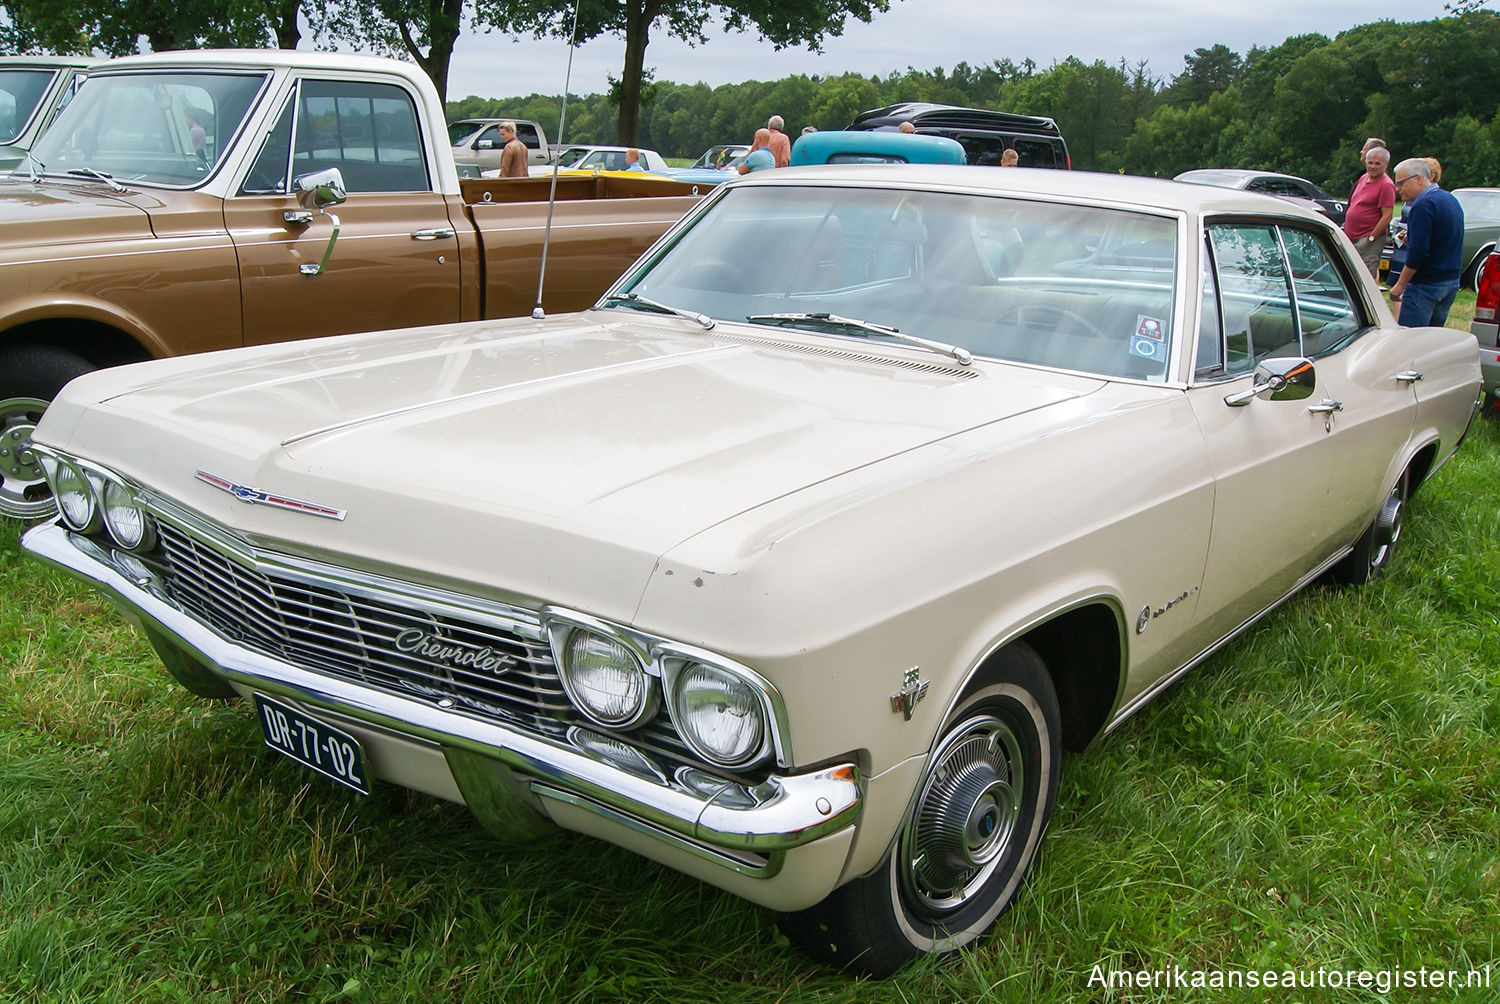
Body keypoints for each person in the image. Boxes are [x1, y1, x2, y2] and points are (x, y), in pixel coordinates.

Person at [1387, 158, 1465, 327]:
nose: (1397, 189)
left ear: (1419, 179)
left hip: (1425, 284)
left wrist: (1400, 285)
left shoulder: (1422, 206)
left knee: (1412, 341)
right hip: (1450, 281)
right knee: (1432, 341)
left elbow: (1418, 252)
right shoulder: (1450, 200)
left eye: (1401, 183)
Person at [1343, 146, 1395, 280]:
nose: (1373, 166)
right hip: (1351, 236)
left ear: (1386, 165)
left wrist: (1371, 238)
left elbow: (1387, 215)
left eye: (1378, 163)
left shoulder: (1386, 185)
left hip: (1368, 239)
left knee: (1364, 276)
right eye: (1370, 162)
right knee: (1348, 273)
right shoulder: (1363, 178)